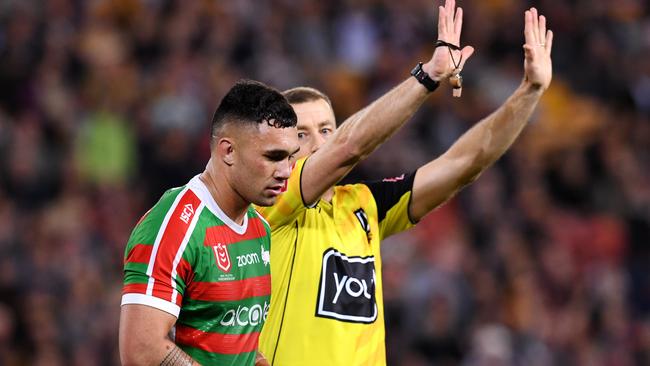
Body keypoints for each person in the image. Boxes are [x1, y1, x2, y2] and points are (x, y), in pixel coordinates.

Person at [256, 1, 553, 365]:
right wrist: (428, 76)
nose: (320, 142)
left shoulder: (363, 204)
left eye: (326, 130)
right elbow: (349, 147)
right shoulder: (269, 204)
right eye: (301, 133)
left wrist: (529, 92)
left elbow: (463, 164)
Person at [119, 80, 300, 366]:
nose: (286, 171)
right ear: (228, 151)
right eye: (273, 157)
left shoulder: (258, 228)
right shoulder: (174, 227)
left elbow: (240, 345)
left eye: (291, 157)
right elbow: (143, 351)